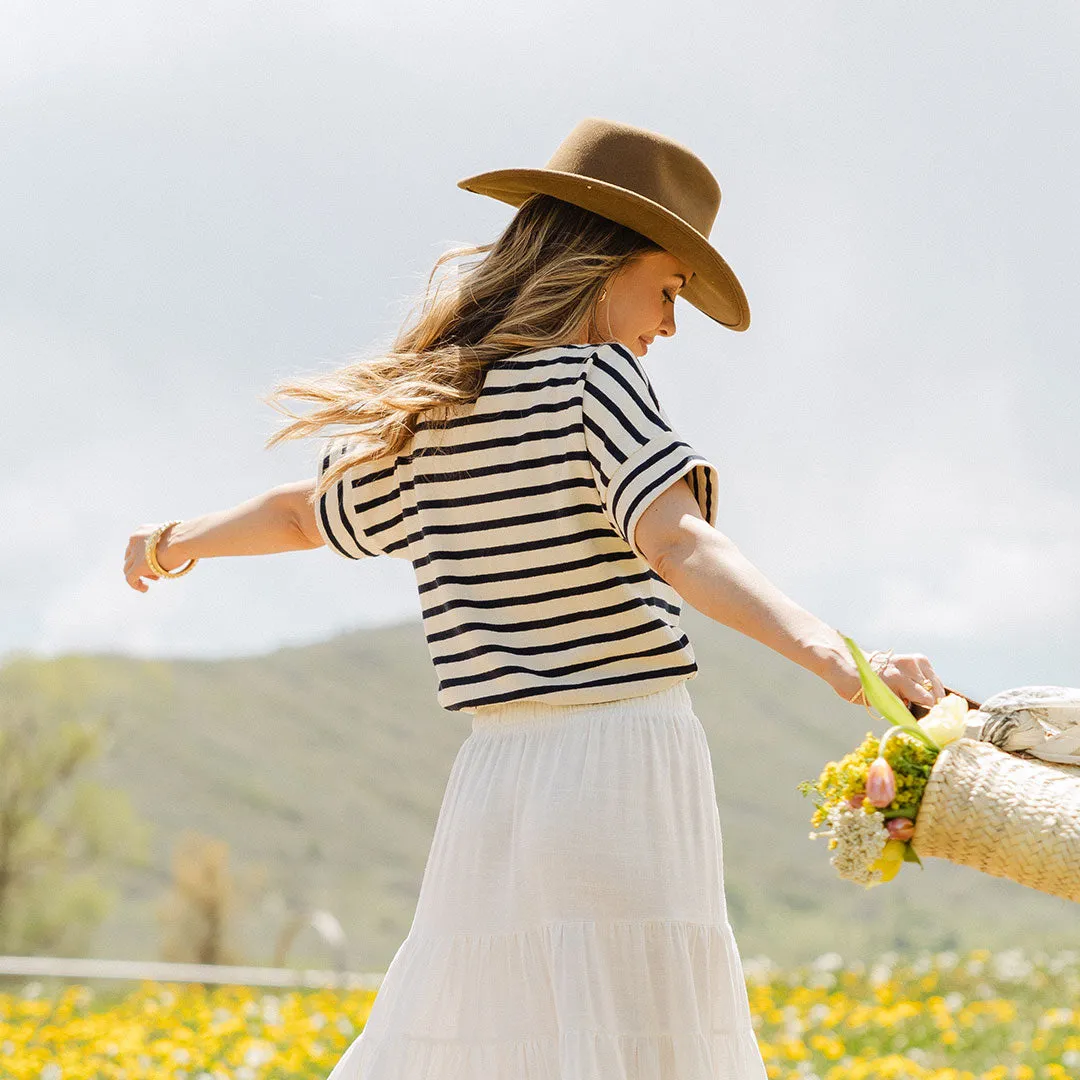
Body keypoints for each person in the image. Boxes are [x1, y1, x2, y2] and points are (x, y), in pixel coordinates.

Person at [124, 117, 946, 1079]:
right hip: (622, 763)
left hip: (497, 783)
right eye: (668, 289)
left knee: (482, 1041)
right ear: (603, 264)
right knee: (642, 1044)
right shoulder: (598, 382)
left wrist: (173, 544)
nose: (669, 327)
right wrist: (838, 658)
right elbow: (678, 541)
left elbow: (304, 515)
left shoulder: (432, 418)